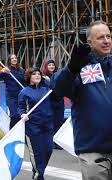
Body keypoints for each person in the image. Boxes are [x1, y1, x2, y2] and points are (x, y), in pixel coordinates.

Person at [51, 20, 112, 179]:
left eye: (108, 36)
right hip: (93, 150)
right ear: (89, 42)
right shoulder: (79, 67)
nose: (106, 41)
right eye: (100, 38)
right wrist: (71, 69)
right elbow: (58, 88)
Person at [18, 68, 54, 180]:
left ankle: (38, 171)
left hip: (47, 126)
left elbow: (57, 92)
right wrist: (22, 114)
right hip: (33, 128)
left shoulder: (47, 89)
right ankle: (39, 175)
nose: (37, 76)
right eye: (34, 74)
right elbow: (21, 108)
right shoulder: (24, 92)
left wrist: (49, 80)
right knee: (37, 154)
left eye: (39, 74)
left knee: (48, 150)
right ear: (29, 77)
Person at [0, 54, 25, 128]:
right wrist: (2, 71)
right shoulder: (6, 70)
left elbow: (25, 82)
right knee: (14, 115)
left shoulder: (21, 70)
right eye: (12, 58)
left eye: (15, 58)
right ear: (9, 61)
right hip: (11, 96)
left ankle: (20, 135)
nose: (14, 59)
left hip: (21, 96)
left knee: (21, 116)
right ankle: (12, 133)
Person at [42, 60, 65, 149]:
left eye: (53, 65)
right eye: (49, 65)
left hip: (59, 101)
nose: (51, 66)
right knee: (51, 122)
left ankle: (57, 141)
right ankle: (51, 141)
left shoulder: (58, 75)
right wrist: (49, 81)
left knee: (59, 121)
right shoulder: (44, 77)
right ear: (46, 66)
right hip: (50, 101)